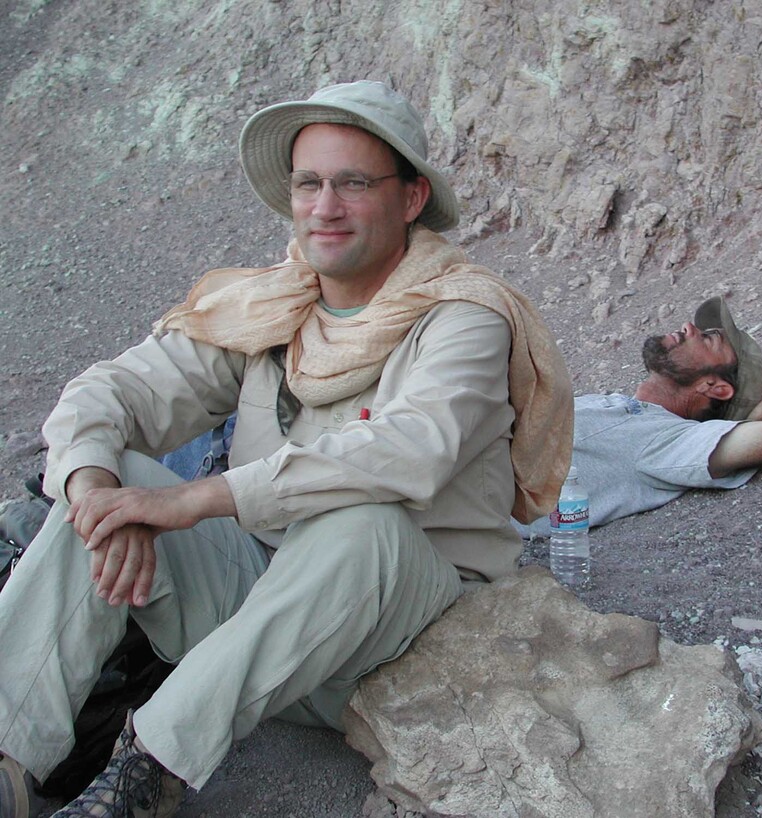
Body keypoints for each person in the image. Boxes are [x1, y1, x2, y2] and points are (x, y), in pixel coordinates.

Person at [0, 80, 572, 818]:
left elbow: (409, 451)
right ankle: (11, 761)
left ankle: (147, 773)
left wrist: (195, 499)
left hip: (396, 630)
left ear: (410, 197)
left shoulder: (463, 315)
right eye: (309, 183)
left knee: (365, 523)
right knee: (113, 491)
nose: (324, 207)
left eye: (354, 184)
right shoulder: (273, 304)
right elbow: (113, 392)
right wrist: (91, 489)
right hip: (259, 612)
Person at [517, 295, 762, 536]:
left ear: (715, 387)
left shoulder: (669, 439)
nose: (688, 328)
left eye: (709, 338)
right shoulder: (613, 404)